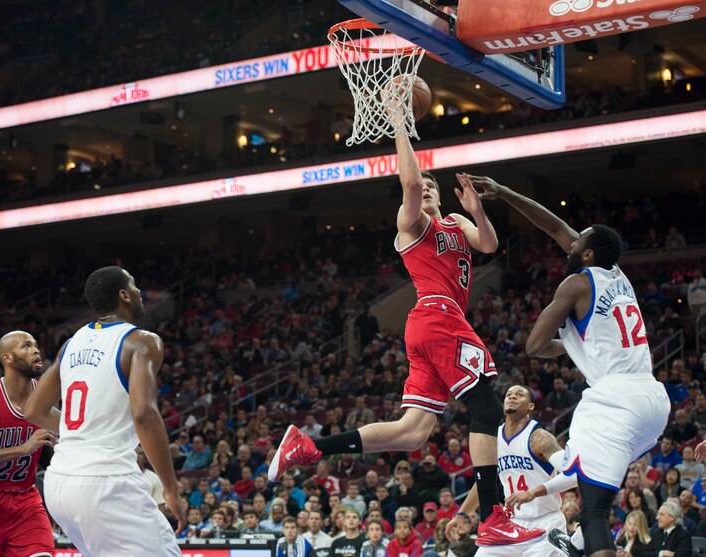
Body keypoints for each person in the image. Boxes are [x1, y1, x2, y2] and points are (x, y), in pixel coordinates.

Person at [268, 107, 538, 546]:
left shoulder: (457, 222)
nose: (427, 189)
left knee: (412, 433)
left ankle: (310, 445)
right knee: (488, 411)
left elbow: (488, 244)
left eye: (434, 187)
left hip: (433, 325)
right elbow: (411, 182)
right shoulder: (412, 225)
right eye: (422, 186)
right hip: (438, 316)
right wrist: (399, 121)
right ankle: (493, 516)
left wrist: (478, 211)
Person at [470, 175, 671, 557]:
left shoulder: (576, 284)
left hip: (613, 399)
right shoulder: (619, 277)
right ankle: (574, 544)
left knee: (593, 511)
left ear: (589, 253)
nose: (571, 241)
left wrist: (573, 346)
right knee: (581, 475)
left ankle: (576, 543)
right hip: (653, 400)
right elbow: (553, 225)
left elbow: (533, 346)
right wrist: (505, 192)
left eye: (579, 241)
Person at [25, 266, 185, 556]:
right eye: (135, 286)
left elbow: (33, 409)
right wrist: (170, 489)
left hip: (59, 483)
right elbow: (144, 415)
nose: (139, 293)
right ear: (124, 295)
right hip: (106, 483)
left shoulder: (72, 343)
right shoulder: (143, 341)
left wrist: (83, 431)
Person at [445, 385, 575, 555]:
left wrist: (532, 493)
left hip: (546, 523)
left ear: (531, 406)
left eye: (519, 395)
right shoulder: (493, 439)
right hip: (509, 524)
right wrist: (461, 514)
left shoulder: (540, 438)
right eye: (509, 395)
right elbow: (484, 483)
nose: (512, 397)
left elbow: (572, 474)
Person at [0, 330, 57, 557]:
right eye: (26, 346)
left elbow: (45, 456)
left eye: (36, 345)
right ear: (7, 357)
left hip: (25, 502)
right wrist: (23, 448)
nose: (36, 350)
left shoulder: (42, 400)